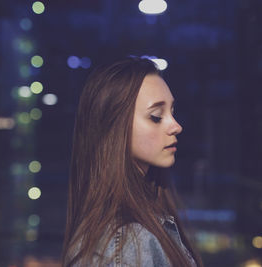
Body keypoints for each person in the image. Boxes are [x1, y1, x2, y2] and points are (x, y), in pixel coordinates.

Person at [61, 57, 203, 267]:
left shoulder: (134, 227)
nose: (176, 126)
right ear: (113, 126)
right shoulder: (125, 244)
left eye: (172, 112)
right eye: (156, 116)